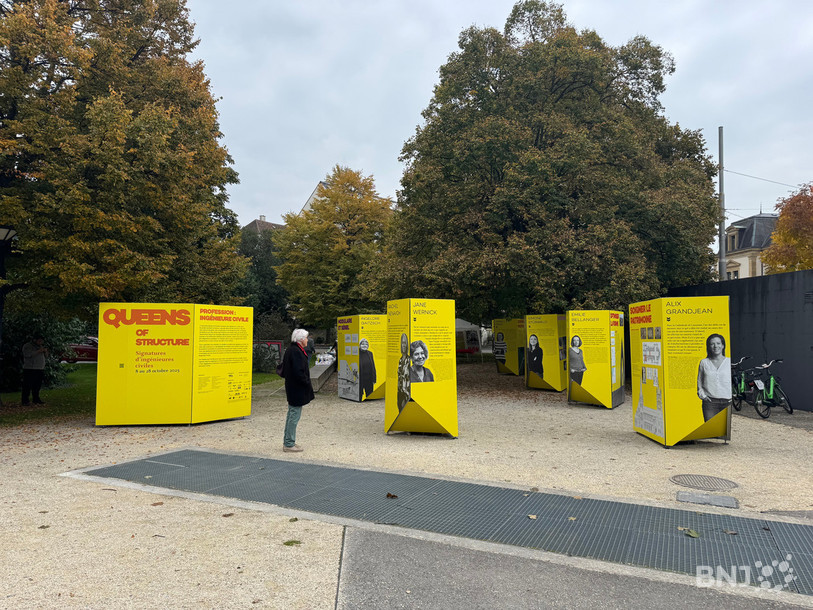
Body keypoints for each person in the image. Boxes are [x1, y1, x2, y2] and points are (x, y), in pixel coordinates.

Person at [280, 329, 314, 452]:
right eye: (305, 338)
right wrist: (306, 382)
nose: (307, 340)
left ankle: (289, 440)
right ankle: (289, 443)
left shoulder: (293, 350)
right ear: (300, 340)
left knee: (292, 414)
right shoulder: (296, 351)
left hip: (293, 387)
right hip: (296, 388)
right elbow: (298, 371)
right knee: (294, 415)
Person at [697, 333, 731, 422]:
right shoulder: (704, 362)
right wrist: (702, 395)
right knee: (712, 432)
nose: (716, 346)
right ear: (709, 347)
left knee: (726, 433)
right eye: (712, 344)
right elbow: (699, 381)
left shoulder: (729, 362)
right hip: (710, 403)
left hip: (728, 402)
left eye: (718, 343)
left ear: (723, 345)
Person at [21, 335, 48, 406]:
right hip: (30, 368)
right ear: (35, 340)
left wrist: (45, 352)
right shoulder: (28, 346)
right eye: (39, 341)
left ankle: (36, 399)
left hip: (40, 368)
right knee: (27, 385)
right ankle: (25, 400)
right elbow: (27, 355)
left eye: (41, 341)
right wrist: (38, 351)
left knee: (37, 385)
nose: (40, 342)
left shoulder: (41, 346)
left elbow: (46, 356)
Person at [397, 333, 411, 411]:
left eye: (405, 343)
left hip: (406, 390)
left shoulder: (409, 360)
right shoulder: (400, 360)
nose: (403, 345)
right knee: (399, 407)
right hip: (400, 390)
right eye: (402, 343)